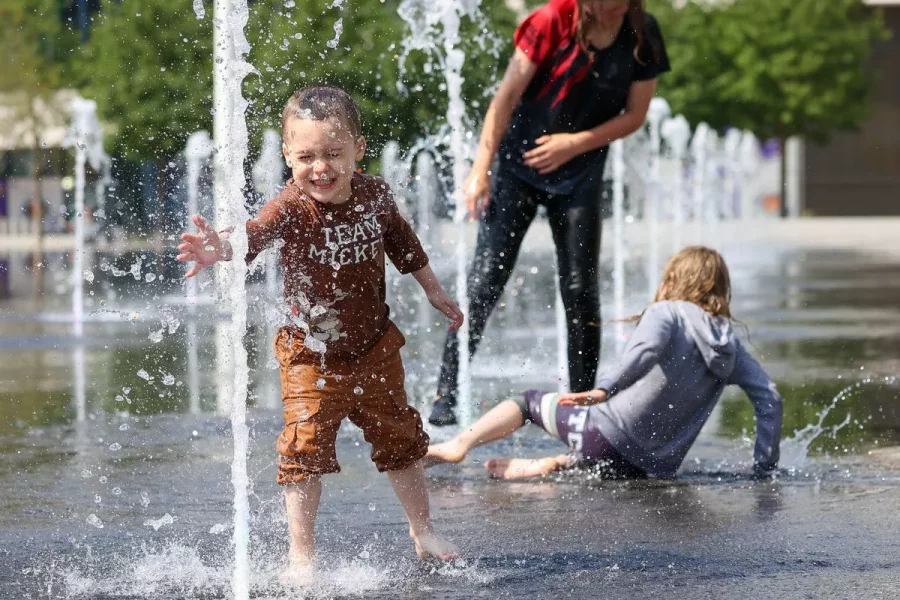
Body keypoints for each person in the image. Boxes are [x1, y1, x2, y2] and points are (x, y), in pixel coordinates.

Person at [176, 86, 463, 575]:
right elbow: (253, 233)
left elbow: (402, 241)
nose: (320, 168)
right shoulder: (291, 206)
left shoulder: (374, 195)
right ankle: (301, 556)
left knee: (400, 438)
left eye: (333, 153)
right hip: (309, 352)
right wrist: (219, 248)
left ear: (358, 149)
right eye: (305, 156)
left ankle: (423, 529)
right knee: (304, 446)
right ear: (287, 154)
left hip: (374, 346)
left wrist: (434, 290)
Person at [430, 0, 671, 426]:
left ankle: (580, 405)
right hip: (518, 169)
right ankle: (446, 395)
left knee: (580, 288)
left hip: (579, 172)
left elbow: (635, 115)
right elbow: (504, 98)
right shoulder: (551, 20)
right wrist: (480, 170)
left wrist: (575, 143)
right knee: (486, 280)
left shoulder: (643, 35)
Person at [425, 246, 784, 480]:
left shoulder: (667, 313)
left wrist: (603, 390)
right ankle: (557, 465)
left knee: (527, 402)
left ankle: (459, 444)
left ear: (673, 279)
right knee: (597, 457)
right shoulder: (730, 345)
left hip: (604, 436)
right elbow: (770, 398)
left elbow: (643, 354)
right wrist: (763, 467)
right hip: (653, 466)